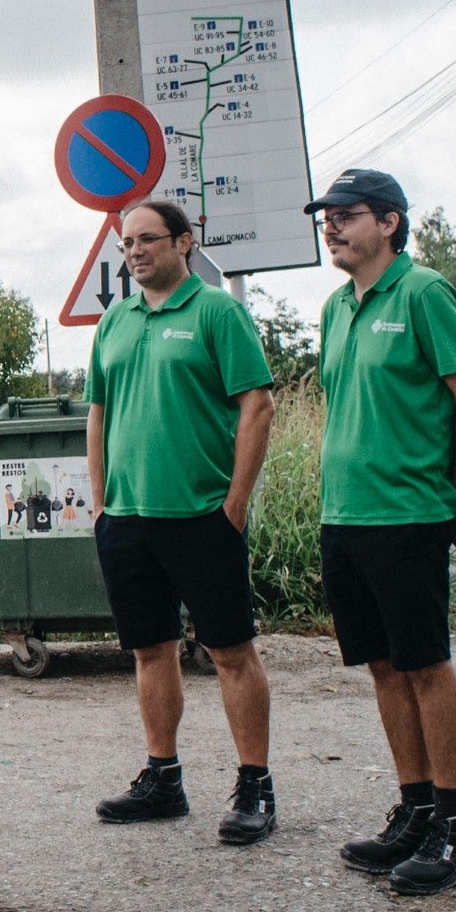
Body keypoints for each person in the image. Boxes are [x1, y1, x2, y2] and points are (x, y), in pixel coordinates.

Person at [306, 169, 456, 895]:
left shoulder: (423, 294)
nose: (331, 226)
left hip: (408, 514)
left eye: (346, 215)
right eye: (326, 217)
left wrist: (455, 498)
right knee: (383, 667)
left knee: (425, 664)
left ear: (388, 222)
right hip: (346, 515)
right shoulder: (335, 308)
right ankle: (415, 812)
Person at [85, 199, 279, 844]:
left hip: (201, 514)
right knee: (150, 650)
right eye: (126, 242)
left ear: (184, 243)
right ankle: (162, 778)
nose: (135, 251)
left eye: (147, 239)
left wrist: (235, 504)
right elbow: (98, 413)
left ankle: (255, 786)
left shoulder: (218, 312)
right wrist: (101, 500)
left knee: (229, 652)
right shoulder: (114, 321)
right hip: (128, 517)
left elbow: (257, 405)